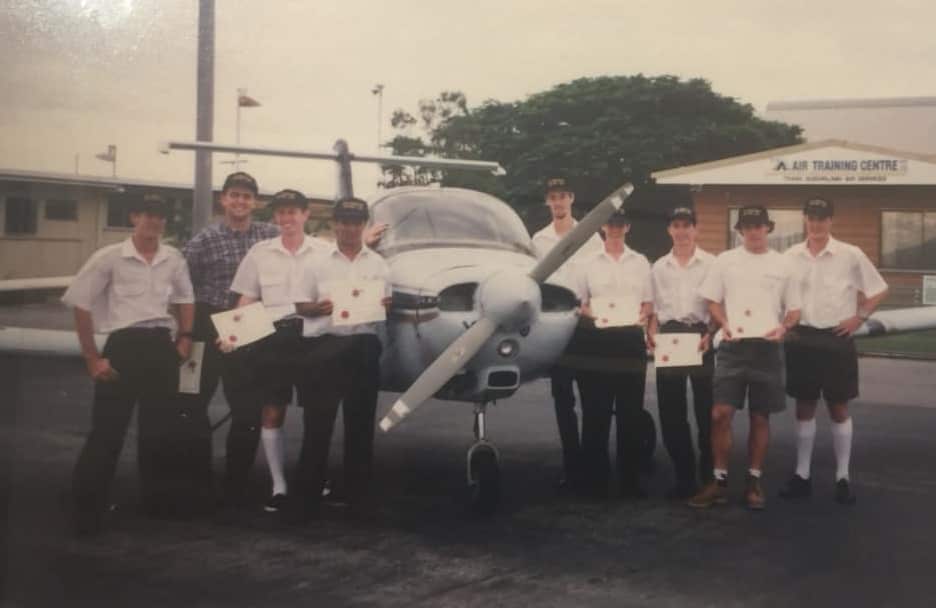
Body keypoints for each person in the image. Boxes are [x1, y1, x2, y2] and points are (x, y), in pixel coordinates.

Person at [62, 194, 195, 535]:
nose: (154, 222)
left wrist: (185, 337)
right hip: (123, 346)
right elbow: (81, 304)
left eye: (161, 217)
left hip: (160, 347)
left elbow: (184, 298)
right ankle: (87, 508)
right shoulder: (109, 258)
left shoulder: (173, 258)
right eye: (148, 215)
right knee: (108, 431)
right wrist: (92, 358)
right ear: (134, 217)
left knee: (159, 431)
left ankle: (157, 504)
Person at [689, 205, 801, 511]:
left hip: (767, 348)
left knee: (759, 416)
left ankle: (753, 482)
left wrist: (784, 327)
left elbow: (794, 310)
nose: (753, 231)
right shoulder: (726, 261)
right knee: (720, 413)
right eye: (748, 226)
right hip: (733, 347)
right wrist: (724, 324)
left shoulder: (784, 264)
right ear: (740, 230)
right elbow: (712, 300)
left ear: (768, 228)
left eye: (759, 225)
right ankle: (719, 481)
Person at [779, 198, 888, 505]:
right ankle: (802, 475)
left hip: (836, 339)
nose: (816, 223)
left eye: (822, 218)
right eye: (812, 217)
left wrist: (860, 317)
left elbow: (879, 288)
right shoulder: (789, 256)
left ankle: (842, 477)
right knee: (804, 407)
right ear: (804, 219)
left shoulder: (850, 254)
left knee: (838, 408)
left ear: (831, 221)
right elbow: (779, 295)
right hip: (802, 338)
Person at [289, 197, 391, 523]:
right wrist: (317, 309)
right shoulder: (315, 263)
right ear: (335, 224)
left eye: (356, 222)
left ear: (364, 225)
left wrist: (384, 304)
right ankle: (306, 500)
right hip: (325, 348)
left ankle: (358, 499)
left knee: (360, 427)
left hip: (362, 346)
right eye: (344, 222)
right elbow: (299, 305)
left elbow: (385, 305)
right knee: (318, 426)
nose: (349, 228)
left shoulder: (378, 263)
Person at [228, 189, 331, 512]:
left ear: (305, 215)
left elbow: (337, 295)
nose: (287, 219)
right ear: (275, 217)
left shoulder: (325, 252)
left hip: (314, 338)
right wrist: (234, 331)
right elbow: (246, 298)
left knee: (317, 413)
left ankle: (312, 481)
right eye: (281, 213)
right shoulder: (260, 252)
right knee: (272, 411)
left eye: (293, 212)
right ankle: (279, 486)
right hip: (273, 338)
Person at [180, 171, 279, 506]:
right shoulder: (203, 240)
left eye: (247, 196)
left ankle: (236, 484)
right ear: (223, 199)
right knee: (192, 404)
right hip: (207, 324)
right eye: (234, 195)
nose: (240, 201)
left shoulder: (270, 235)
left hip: (250, 326)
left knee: (248, 411)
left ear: (255, 202)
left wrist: (363, 239)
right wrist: (184, 329)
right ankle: (197, 482)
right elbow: (181, 285)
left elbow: (308, 251)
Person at [571, 208, 653, 499]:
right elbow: (581, 304)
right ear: (603, 227)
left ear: (627, 227)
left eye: (620, 224)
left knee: (630, 414)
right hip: (599, 340)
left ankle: (630, 482)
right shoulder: (587, 263)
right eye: (610, 224)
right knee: (596, 413)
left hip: (630, 341)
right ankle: (596, 482)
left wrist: (641, 316)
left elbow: (647, 303)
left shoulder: (641, 262)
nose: (615, 229)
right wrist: (598, 315)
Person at [530, 176, 604, 492]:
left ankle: (592, 465)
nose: (558, 202)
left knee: (592, 398)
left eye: (562, 196)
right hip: (556, 324)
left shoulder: (592, 237)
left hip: (586, 324)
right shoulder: (538, 240)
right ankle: (572, 465)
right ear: (547, 202)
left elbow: (599, 279)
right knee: (563, 398)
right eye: (552, 197)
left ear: (571, 198)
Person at [648, 206, 717, 500]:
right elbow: (651, 308)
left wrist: (711, 334)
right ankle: (684, 477)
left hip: (701, 335)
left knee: (707, 412)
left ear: (695, 229)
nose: (682, 231)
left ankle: (709, 476)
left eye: (687, 225)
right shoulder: (658, 267)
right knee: (672, 413)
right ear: (669, 230)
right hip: (671, 337)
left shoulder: (712, 264)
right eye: (676, 225)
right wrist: (651, 333)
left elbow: (718, 305)